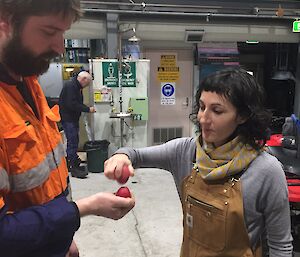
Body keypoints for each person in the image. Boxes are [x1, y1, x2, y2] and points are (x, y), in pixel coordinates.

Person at [104, 68, 293, 257]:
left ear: (242, 116)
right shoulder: (185, 151)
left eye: (217, 111)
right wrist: (121, 157)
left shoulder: (266, 170)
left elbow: (280, 247)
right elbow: (135, 154)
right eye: (202, 107)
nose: (203, 118)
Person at [0, 1, 135, 257]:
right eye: (49, 32)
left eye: (63, 33)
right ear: (5, 22)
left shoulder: (27, 81)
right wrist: (83, 208)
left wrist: (60, 239)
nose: (60, 47)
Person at [59, 70, 95, 178]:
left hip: (71, 119)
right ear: (83, 79)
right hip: (68, 119)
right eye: (87, 83)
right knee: (73, 142)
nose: (86, 86)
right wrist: (87, 109)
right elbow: (72, 104)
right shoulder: (71, 86)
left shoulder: (75, 86)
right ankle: (73, 168)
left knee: (74, 141)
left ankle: (72, 162)